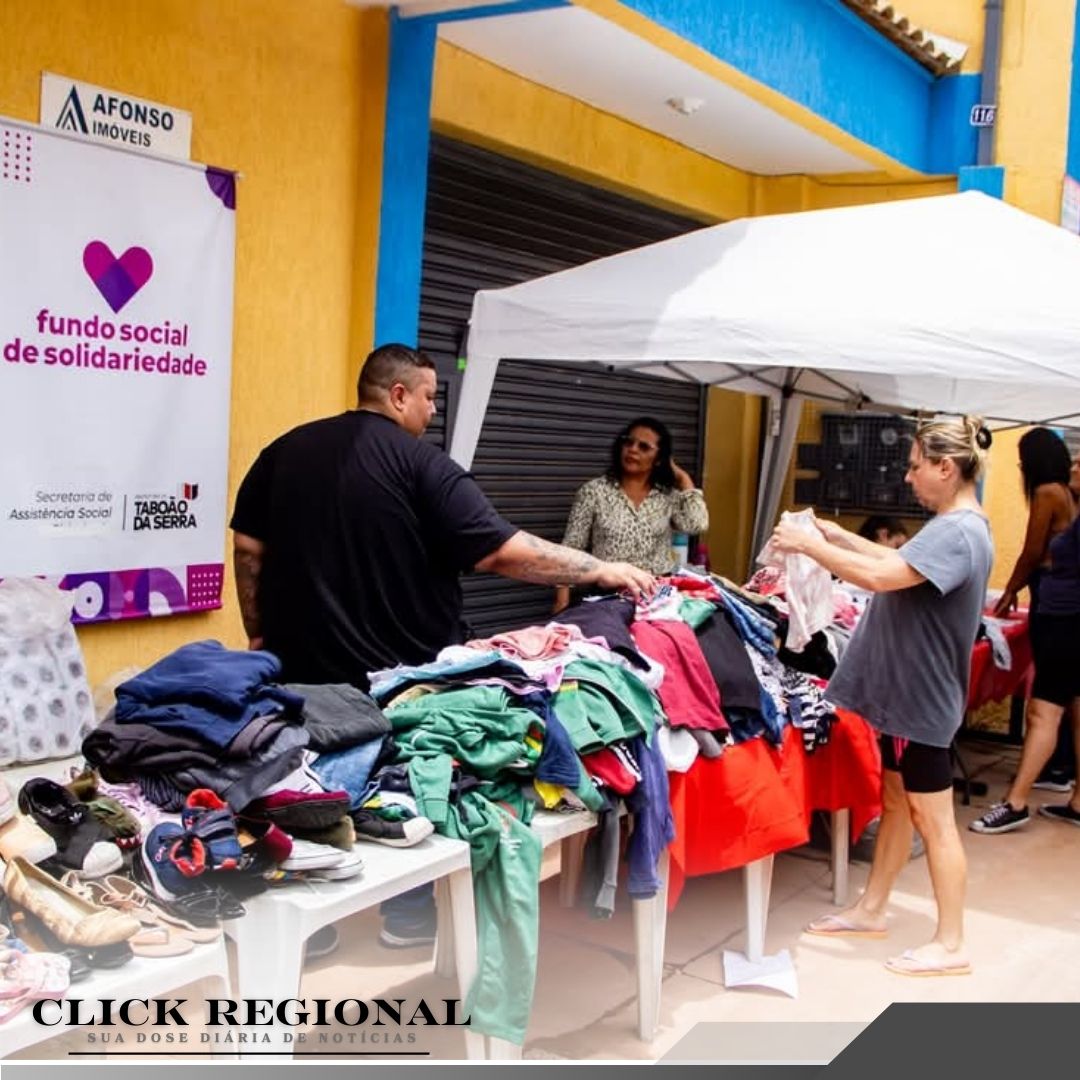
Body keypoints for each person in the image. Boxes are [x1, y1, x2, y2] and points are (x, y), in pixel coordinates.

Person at [231, 343, 655, 949]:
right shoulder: (424, 467)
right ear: (398, 394)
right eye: (430, 396)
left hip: (302, 665)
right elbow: (502, 551)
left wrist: (258, 630)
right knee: (406, 790)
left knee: (304, 785)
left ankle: (312, 929)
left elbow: (249, 548)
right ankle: (406, 918)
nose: (432, 411)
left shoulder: (283, 452)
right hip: (402, 674)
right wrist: (594, 570)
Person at [771, 417, 993, 977]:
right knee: (897, 803)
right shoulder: (952, 526)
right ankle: (872, 908)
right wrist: (835, 535)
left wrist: (808, 546)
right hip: (907, 697)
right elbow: (896, 565)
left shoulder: (959, 531)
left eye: (917, 465)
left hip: (923, 701)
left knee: (933, 819)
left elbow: (882, 579)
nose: (909, 476)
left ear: (946, 467)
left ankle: (951, 942)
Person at [971, 434, 1080, 833]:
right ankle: (1078, 800)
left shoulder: (1048, 492)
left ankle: (1015, 802)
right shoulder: (1071, 497)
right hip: (1072, 613)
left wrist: (1012, 588)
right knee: (1074, 708)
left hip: (1060, 614)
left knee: (1043, 711)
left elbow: (1033, 551)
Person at [553, 417, 708, 613]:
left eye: (644, 447)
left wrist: (683, 478)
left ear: (659, 458)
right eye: (628, 442)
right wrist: (562, 601)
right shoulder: (594, 492)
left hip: (658, 594)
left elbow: (697, 524)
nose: (633, 449)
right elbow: (571, 549)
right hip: (608, 596)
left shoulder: (667, 496)